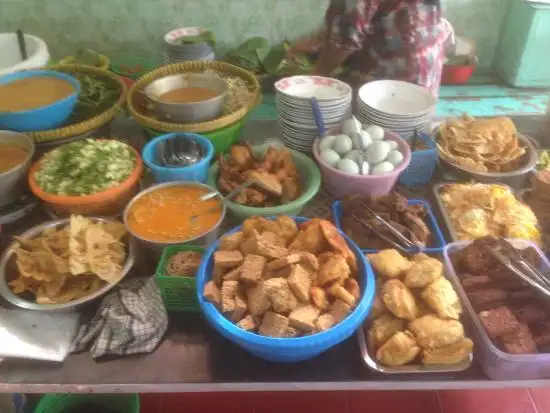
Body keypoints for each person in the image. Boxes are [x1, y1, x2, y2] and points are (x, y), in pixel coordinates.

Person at [288, 0, 449, 98]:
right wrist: (314, 40)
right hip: (427, 79)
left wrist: (315, 78)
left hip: (390, 88)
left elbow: (342, 43)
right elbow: (352, 17)